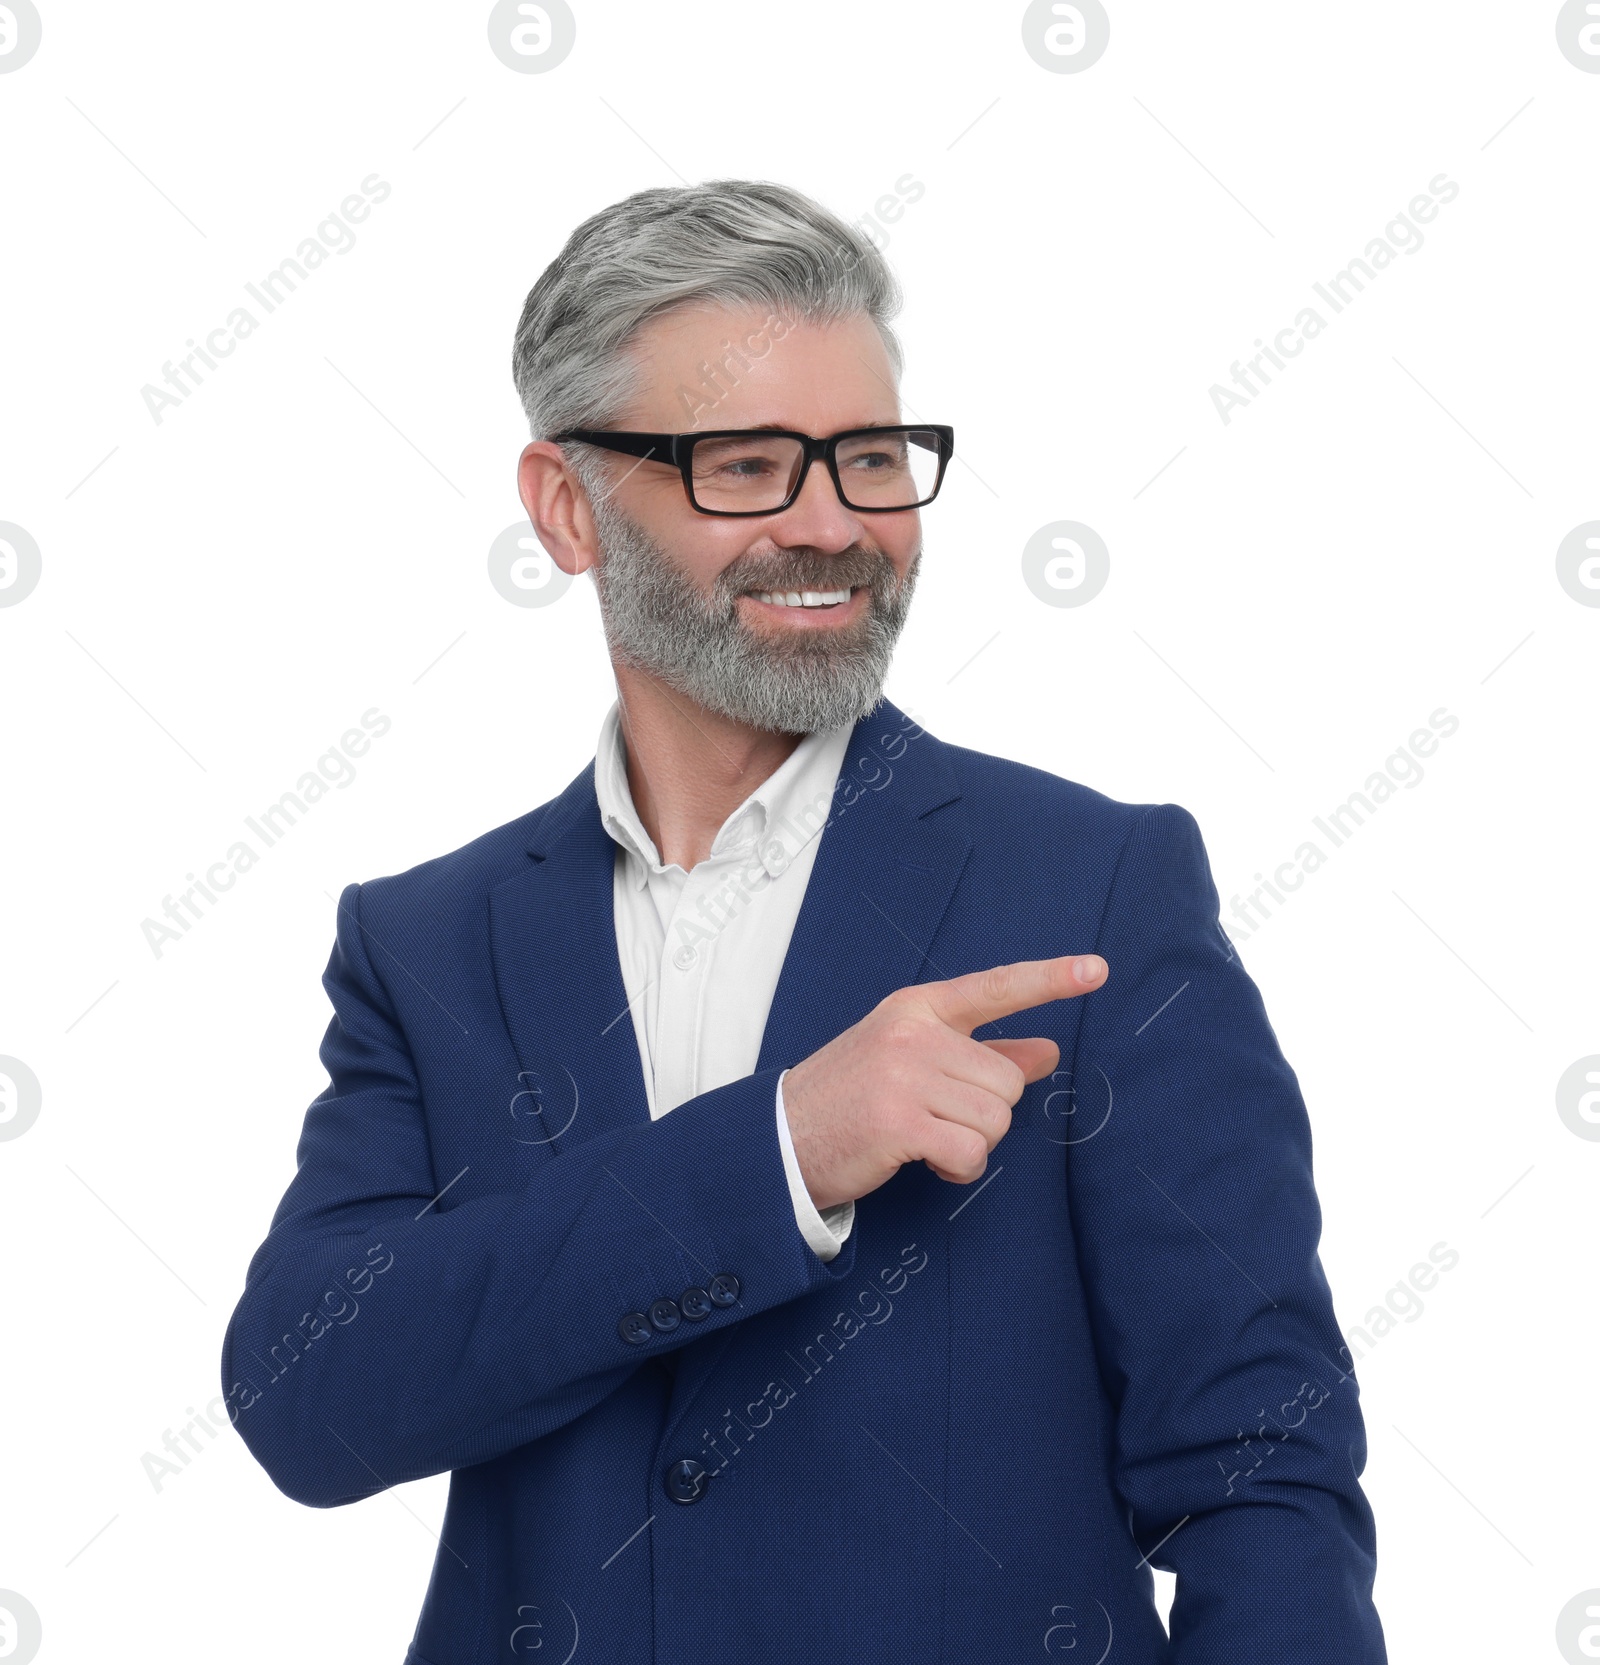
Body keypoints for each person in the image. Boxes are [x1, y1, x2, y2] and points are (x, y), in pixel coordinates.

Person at [222, 179, 1386, 1664]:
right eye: (751, 466)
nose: (834, 524)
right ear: (568, 506)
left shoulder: (1093, 888)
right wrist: (778, 1151)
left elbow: (1261, 1467)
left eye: (873, 459)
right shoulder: (430, 943)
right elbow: (307, 1401)